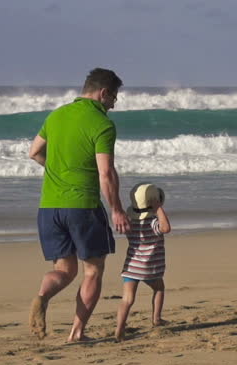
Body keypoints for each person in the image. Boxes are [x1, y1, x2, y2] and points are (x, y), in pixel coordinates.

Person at [27, 68, 130, 342]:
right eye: (114, 97)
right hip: (82, 206)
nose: (114, 103)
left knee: (64, 270)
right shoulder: (102, 123)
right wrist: (117, 209)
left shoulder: (57, 115)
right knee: (93, 270)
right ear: (103, 93)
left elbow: (34, 152)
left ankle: (41, 297)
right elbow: (106, 172)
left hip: (49, 207)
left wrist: (59, 169)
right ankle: (76, 333)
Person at [115, 183, 171, 342]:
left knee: (127, 299)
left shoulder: (130, 223)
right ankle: (156, 319)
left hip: (131, 267)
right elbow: (166, 228)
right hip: (151, 268)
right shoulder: (153, 223)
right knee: (159, 289)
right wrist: (158, 209)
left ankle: (119, 330)